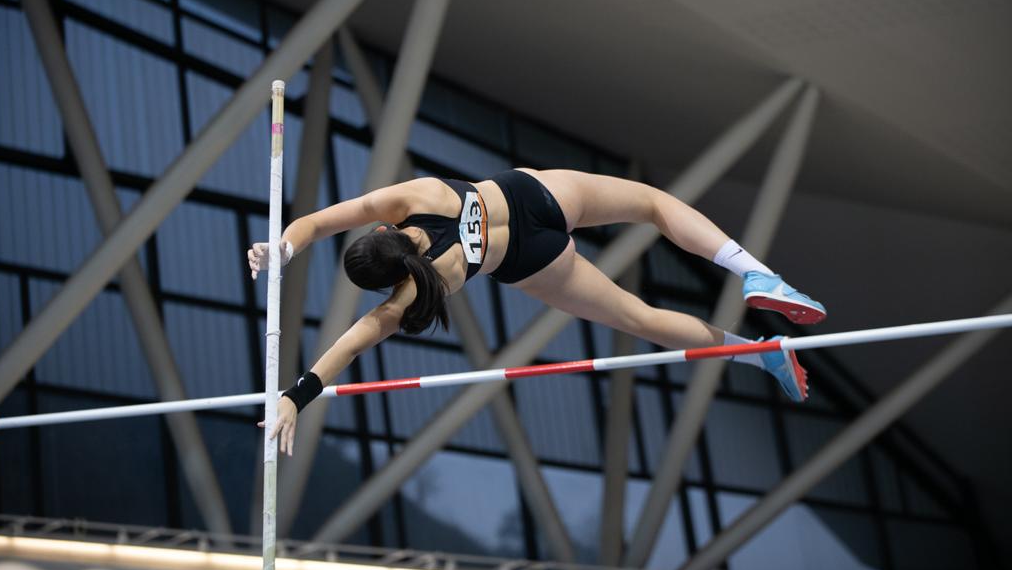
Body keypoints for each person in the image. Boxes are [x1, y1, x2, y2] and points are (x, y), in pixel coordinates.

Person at [249, 168, 825, 454]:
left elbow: (352, 342)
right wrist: (283, 247)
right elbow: (321, 221)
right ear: (384, 231)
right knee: (653, 203)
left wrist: (295, 397)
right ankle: (755, 271)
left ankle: (760, 355)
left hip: (531, 259)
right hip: (527, 194)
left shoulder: (422, 291)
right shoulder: (413, 198)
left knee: (641, 319)